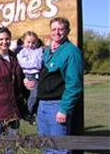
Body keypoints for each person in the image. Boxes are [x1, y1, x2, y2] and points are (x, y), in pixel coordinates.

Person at [24, 17, 83, 154]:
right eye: (54, 29)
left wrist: (64, 109)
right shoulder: (48, 50)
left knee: (59, 148)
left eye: (61, 29)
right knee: (46, 146)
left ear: (68, 31)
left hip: (57, 106)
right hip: (42, 105)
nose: (57, 32)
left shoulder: (71, 52)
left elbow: (74, 84)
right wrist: (27, 80)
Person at [17, 31, 43, 125]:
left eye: (33, 42)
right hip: (29, 75)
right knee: (34, 95)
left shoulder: (39, 51)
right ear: (24, 42)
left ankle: (32, 114)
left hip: (37, 75)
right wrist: (35, 62)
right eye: (28, 42)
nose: (31, 45)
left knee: (37, 96)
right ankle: (27, 112)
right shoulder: (22, 52)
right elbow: (25, 63)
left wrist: (35, 62)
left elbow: (40, 64)